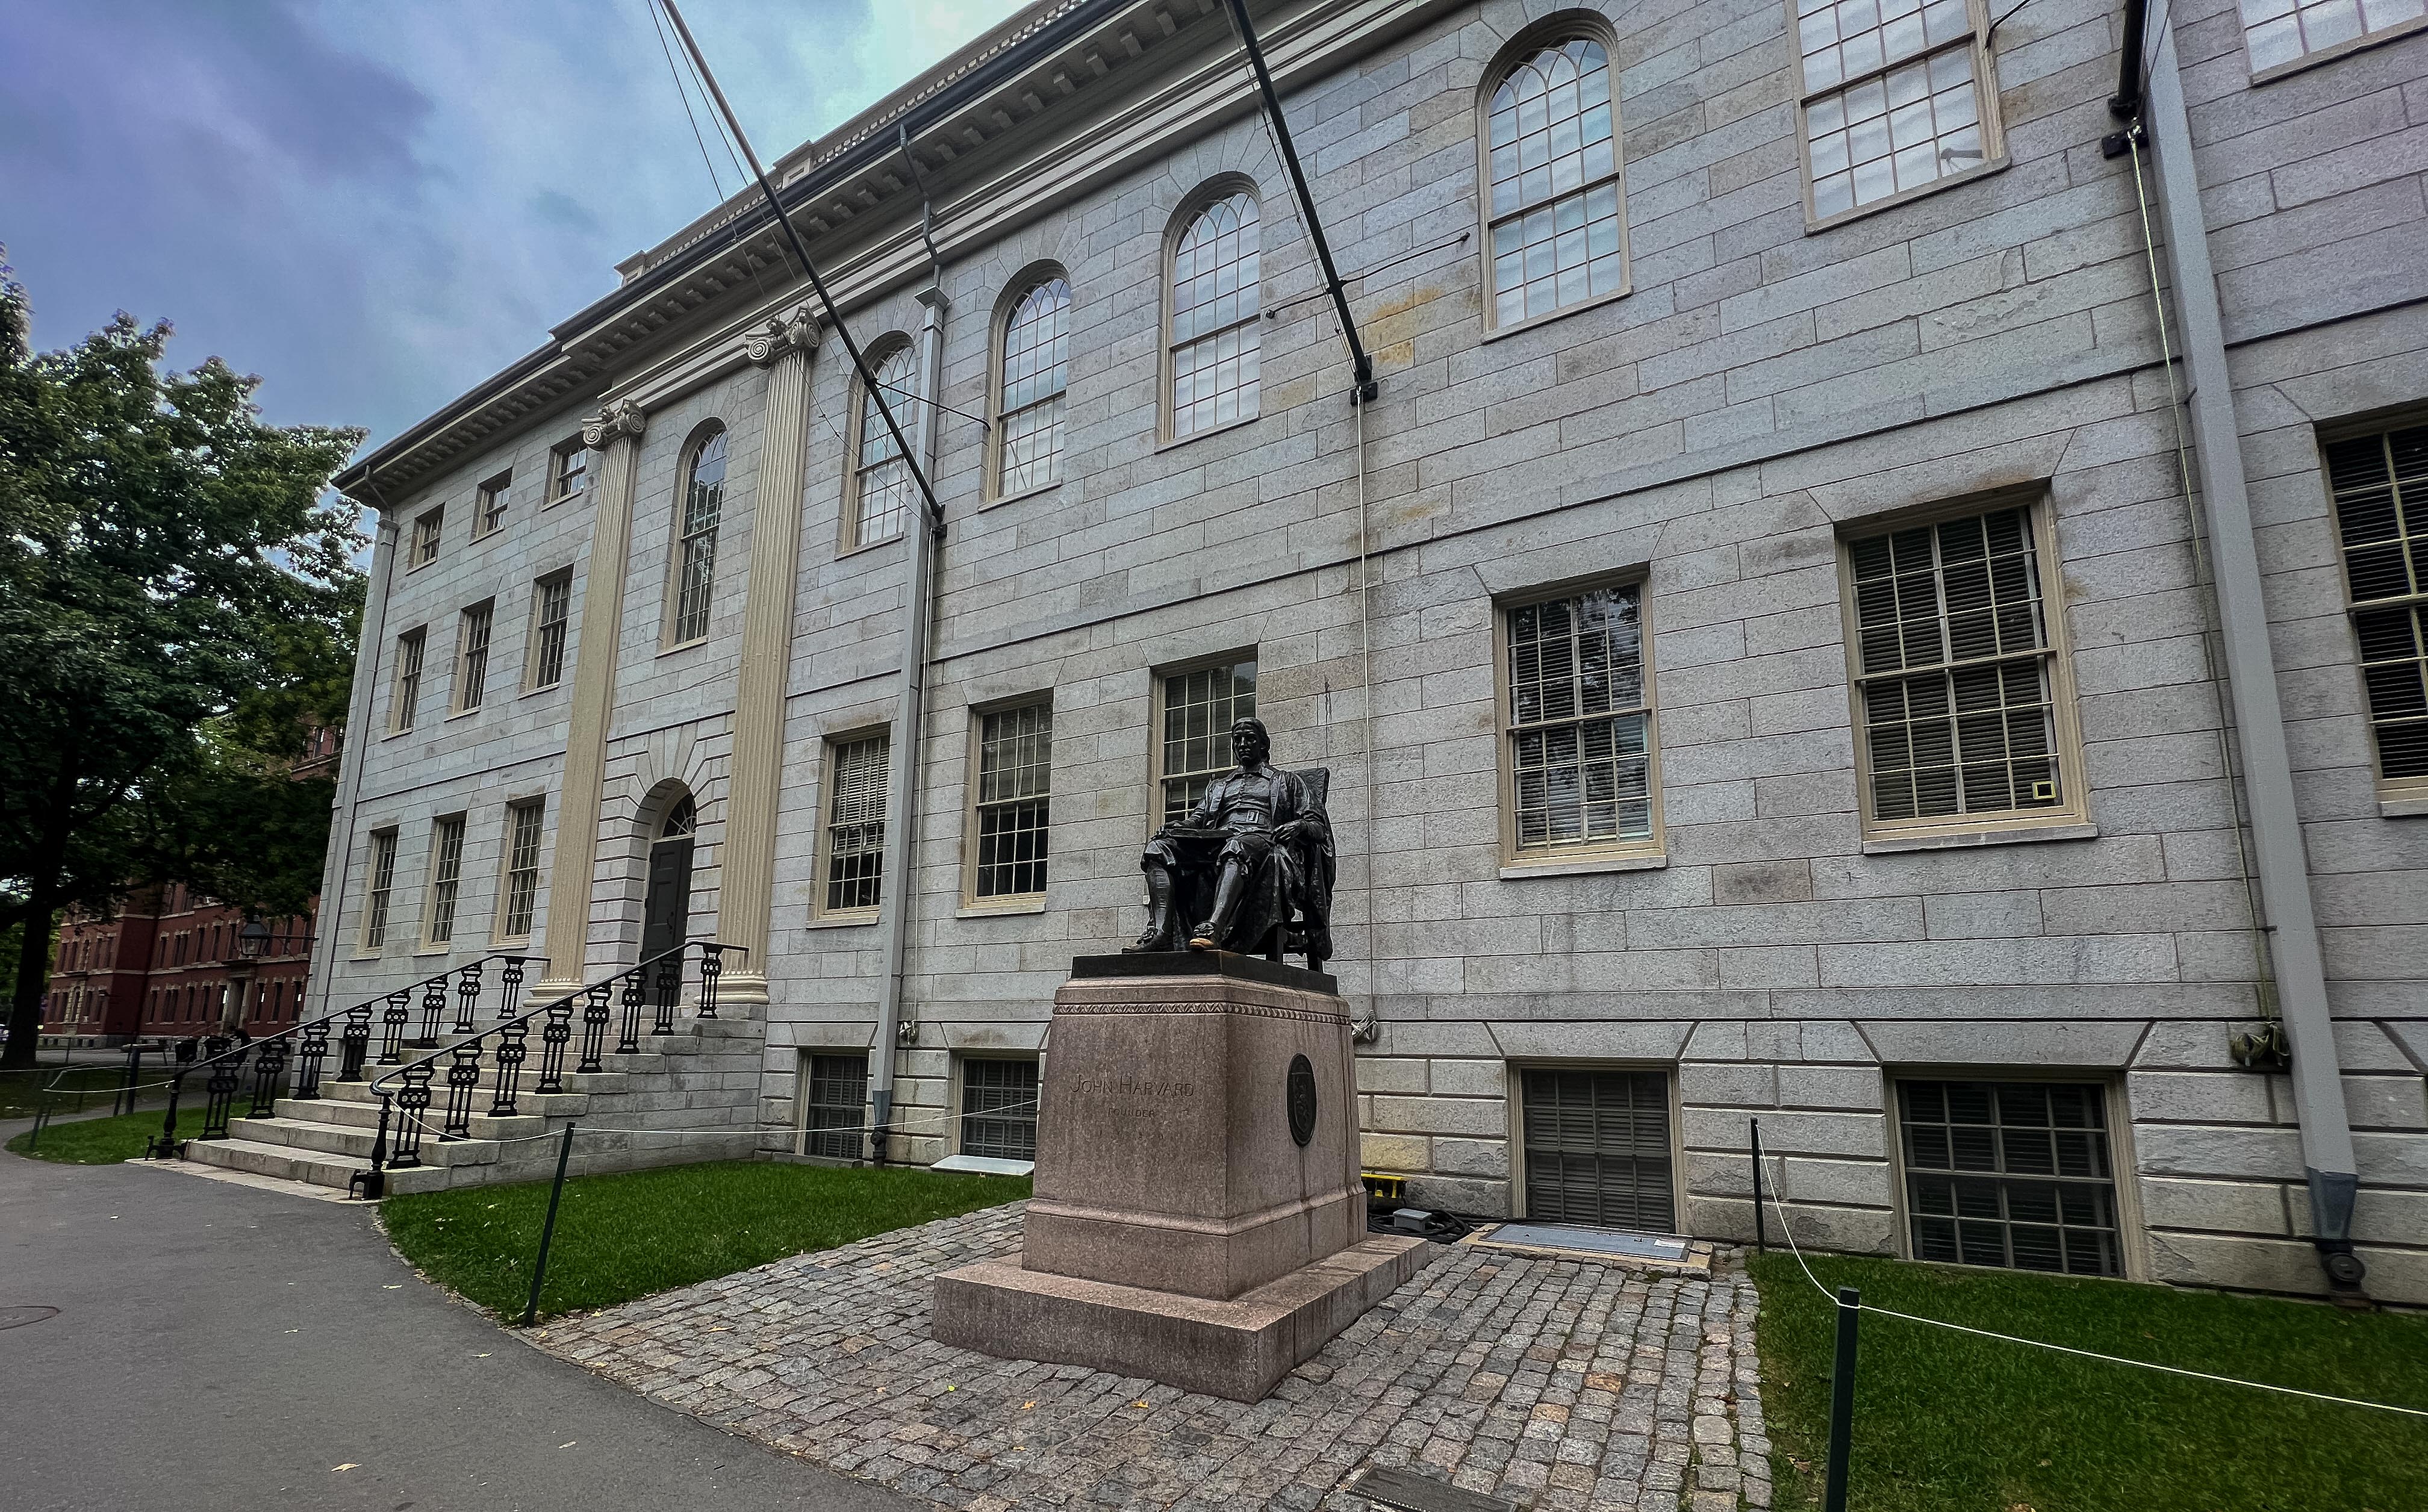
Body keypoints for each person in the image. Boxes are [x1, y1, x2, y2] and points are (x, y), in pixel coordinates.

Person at [1127, 716, 1334, 968]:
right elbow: (1198, 820)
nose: (1243, 744)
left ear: (1264, 745)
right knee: (1158, 848)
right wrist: (1180, 827)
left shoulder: (1287, 781)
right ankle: (1161, 933)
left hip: (1261, 840)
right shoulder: (1218, 786)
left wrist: (1299, 825)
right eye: (1238, 740)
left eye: (1250, 739)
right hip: (1216, 840)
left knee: (1237, 846)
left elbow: (1318, 827)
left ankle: (1213, 927)